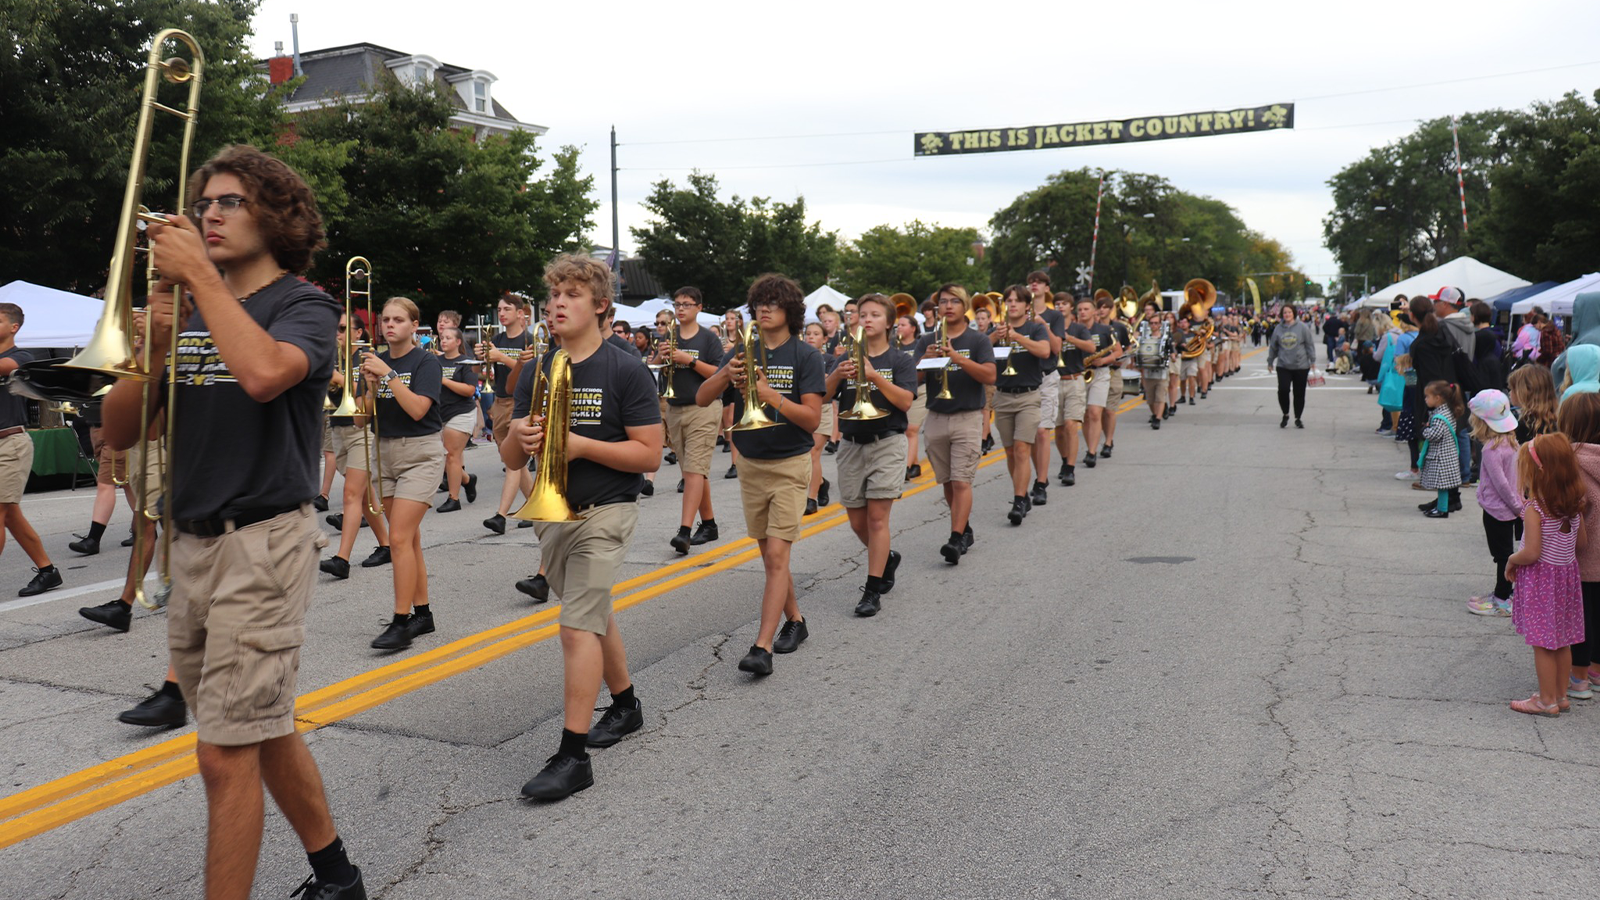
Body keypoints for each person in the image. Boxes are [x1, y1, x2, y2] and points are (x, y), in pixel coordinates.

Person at [102, 144, 364, 899]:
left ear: (275, 215)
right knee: (261, 726)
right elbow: (122, 432)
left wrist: (197, 286)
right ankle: (338, 877)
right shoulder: (186, 313)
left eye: (229, 203)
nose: (208, 214)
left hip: (263, 540)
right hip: (192, 541)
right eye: (204, 202)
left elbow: (262, 374)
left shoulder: (304, 306)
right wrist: (150, 346)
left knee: (223, 754)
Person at [507, 254, 660, 802]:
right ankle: (625, 705)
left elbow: (650, 456)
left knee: (576, 627)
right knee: (593, 616)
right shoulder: (542, 367)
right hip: (554, 513)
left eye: (570, 295)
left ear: (600, 306)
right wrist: (520, 436)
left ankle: (572, 757)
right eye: (553, 296)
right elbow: (509, 452)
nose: (556, 305)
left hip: (607, 511)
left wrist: (579, 445)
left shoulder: (625, 368)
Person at [697, 273, 823, 675]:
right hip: (751, 464)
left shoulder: (805, 356)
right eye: (758, 303)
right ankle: (796, 622)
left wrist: (771, 397)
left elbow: (812, 419)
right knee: (771, 559)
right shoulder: (741, 350)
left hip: (790, 463)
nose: (763, 309)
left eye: (772, 302)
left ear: (790, 310)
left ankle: (762, 646)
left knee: (775, 556)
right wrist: (724, 376)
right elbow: (702, 398)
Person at [362, 296, 445, 651]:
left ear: (414, 326)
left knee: (397, 538)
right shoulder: (376, 361)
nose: (390, 325)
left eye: (398, 319)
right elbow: (365, 415)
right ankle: (422, 614)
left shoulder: (426, 361)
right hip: (385, 452)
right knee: (408, 539)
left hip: (420, 453)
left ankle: (400, 622)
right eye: (385, 319)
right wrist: (367, 388)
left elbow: (416, 410)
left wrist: (389, 376)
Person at [824, 294, 915, 616]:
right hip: (850, 444)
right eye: (863, 314)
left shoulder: (900, 360)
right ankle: (887, 557)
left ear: (889, 322)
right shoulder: (845, 357)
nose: (867, 319)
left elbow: (905, 402)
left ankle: (872, 589)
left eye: (875, 314)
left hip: (887, 442)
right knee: (857, 521)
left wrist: (873, 375)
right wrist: (837, 374)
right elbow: (821, 396)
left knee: (877, 519)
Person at [1503, 433, 1587, 717]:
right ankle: (1561, 696)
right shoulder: (1573, 503)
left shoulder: (1535, 508)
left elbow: (1532, 552)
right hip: (1566, 579)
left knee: (1542, 643)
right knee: (1562, 640)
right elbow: (1581, 544)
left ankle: (1546, 701)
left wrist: (1511, 559)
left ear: (1539, 472)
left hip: (1542, 581)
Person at [913, 284, 997, 563]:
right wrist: (924, 362)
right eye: (943, 302)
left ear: (964, 307)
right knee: (947, 482)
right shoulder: (928, 339)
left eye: (954, 302)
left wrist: (957, 358)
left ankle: (954, 538)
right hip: (936, 416)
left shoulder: (978, 340)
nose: (948, 306)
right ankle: (964, 529)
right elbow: (911, 382)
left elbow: (989, 375)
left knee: (962, 481)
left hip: (967, 416)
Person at [320, 310, 392, 579]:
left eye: (341, 328)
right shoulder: (332, 357)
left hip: (362, 432)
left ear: (358, 332)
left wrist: (339, 379)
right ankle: (387, 545)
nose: (336, 334)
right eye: (335, 329)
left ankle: (342, 559)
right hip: (337, 428)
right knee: (362, 498)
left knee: (351, 494)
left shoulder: (365, 358)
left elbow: (367, 401)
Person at [654, 286, 724, 554]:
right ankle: (709, 524)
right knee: (692, 470)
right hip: (675, 407)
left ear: (699, 308)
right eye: (677, 304)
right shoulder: (670, 335)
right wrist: (661, 355)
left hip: (703, 408)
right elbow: (655, 365)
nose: (680, 309)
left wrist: (689, 361)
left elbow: (719, 374)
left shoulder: (708, 340)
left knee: (694, 469)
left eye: (686, 304)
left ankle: (684, 531)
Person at [0, 303, 63, 597]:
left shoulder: (20, 357)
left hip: (9, 443)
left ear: (14, 327)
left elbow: (8, 368)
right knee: (10, 515)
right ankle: (48, 571)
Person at [988, 285, 1051, 525]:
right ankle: (1022, 492)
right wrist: (994, 337)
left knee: (1023, 448)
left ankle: (1018, 500)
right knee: (1011, 451)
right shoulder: (996, 330)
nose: (1012, 304)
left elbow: (1045, 351)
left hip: (1028, 396)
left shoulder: (1035, 328)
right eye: (1009, 300)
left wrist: (1017, 337)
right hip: (1002, 396)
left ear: (1027, 306)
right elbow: (978, 353)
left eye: (1017, 301)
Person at [1463, 390, 1524, 617]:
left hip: (1498, 510)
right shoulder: (1512, 442)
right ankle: (1505, 593)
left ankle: (1502, 598)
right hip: (1510, 508)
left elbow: (1501, 484)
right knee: (1506, 553)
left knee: (1503, 555)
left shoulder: (1491, 449)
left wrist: (1518, 508)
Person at [479, 294, 534, 535]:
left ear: (521, 314)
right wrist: (483, 359)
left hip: (521, 404)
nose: (501, 313)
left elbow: (532, 372)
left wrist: (501, 357)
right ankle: (534, 505)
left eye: (507, 309)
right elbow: (484, 373)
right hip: (500, 402)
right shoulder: (496, 339)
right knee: (512, 460)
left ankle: (501, 515)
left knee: (514, 461)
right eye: (499, 309)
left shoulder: (529, 340)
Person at [1558, 391, 1600, 698]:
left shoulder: (1569, 462)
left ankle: (1579, 678)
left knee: (1581, 618)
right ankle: (1597, 670)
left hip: (1582, 557)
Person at [67, 395, 125, 556]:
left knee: (106, 483)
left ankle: (93, 539)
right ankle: (144, 529)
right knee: (127, 484)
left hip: (114, 427)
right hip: (97, 426)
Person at [1026, 273, 1064, 507]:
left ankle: (1041, 482)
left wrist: (1042, 325)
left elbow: (1057, 347)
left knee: (1042, 432)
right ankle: (1038, 473)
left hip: (1047, 376)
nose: (1034, 284)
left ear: (1047, 288)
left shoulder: (1054, 315)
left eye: (1039, 282)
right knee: (1029, 436)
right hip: (1025, 378)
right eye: (1031, 281)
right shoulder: (1019, 314)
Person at [434, 326, 480, 512]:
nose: (443, 341)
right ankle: (468, 480)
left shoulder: (465, 362)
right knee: (441, 458)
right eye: (442, 338)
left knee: (451, 455)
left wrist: (444, 380)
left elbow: (469, 390)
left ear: (458, 342)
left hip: (461, 413)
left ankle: (454, 499)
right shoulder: (434, 361)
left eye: (448, 338)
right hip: (439, 413)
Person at [1055, 296, 1095, 485]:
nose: (1060, 305)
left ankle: (1070, 468)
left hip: (1074, 380)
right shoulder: (1049, 327)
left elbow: (1091, 347)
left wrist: (1069, 338)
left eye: (1063, 303)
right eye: (1057, 303)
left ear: (1071, 307)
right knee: (1059, 429)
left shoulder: (1079, 328)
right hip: (1054, 381)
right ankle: (1064, 461)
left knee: (1071, 424)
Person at [1418, 381, 1466, 518]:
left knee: (1442, 487)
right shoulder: (1447, 411)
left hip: (1441, 458)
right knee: (1443, 487)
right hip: (1447, 455)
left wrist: (1425, 430)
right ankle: (1441, 507)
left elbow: (1436, 435)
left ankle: (1442, 509)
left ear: (1438, 398)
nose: (1426, 399)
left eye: (1427, 397)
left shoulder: (1439, 417)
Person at [802, 321, 835, 515]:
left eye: (816, 334)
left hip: (822, 409)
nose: (811, 337)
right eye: (808, 333)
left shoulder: (830, 359)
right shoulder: (799, 357)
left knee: (813, 452)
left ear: (824, 339)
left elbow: (826, 383)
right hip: (802, 409)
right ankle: (821, 483)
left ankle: (811, 498)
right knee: (804, 455)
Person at [1080, 299, 1118, 467]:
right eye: (1079, 309)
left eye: (1086, 309)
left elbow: (1118, 351)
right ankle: (1090, 445)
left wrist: (1103, 360)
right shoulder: (1074, 330)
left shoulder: (1104, 329)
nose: (1082, 312)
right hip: (1080, 373)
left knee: (1095, 412)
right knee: (1085, 416)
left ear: (1094, 312)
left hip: (1100, 373)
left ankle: (1092, 452)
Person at [1267, 304, 1315, 429]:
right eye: (1284, 313)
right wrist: (1270, 361)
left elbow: (1309, 345)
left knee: (1299, 393)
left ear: (1293, 313)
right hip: (1283, 364)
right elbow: (1273, 346)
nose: (1287, 315)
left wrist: (1313, 360)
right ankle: (1285, 413)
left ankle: (1298, 417)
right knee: (1283, 390)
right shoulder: (1278, 328)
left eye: (1289, 312)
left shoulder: (1302, 327)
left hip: (1301, 365)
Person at [1134, 299, 1171, 429]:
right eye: (1152, 323)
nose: (1154, 325)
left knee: (1160, 396)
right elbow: (1138, 350)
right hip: (1148, 371)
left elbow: (1170, 351)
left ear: (1160, 324)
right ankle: (1155, 413)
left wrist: (1172, 355)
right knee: (1150, 399)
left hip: (1161, 372)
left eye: (1156, 323)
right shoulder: (1144, 337)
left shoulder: (1165, 338)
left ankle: (1158, 418)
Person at [898, 313, 926, 481]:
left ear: (913, 328)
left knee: (911, 430)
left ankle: (905, 469)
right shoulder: (894, 346)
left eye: (903, 325)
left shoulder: (919, 345)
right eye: (898, 325)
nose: (899, 327)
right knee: (904, 430)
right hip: (900, 391)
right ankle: (914, 463)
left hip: (919, 390)